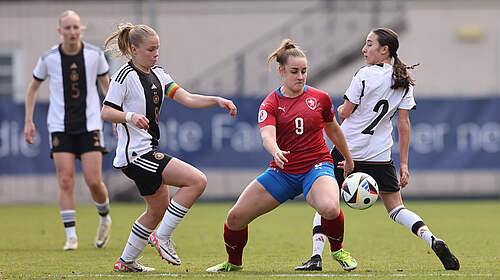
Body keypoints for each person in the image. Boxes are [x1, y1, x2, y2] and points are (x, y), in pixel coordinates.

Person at [295, 27, 460, 271]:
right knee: (396, 209)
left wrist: (338, 111)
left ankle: (316, 256)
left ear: (385, 50)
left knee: (326, 203)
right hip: (380, 156)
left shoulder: (364, 75)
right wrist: (404, 164)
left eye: (369, 44)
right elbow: (403, 124)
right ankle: (431, 239)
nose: (364, 49)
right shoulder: (403, 81)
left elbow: (345, 112)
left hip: (347, 151)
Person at [206, 39, 357, 273]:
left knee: (330, 207)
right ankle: (233, 263)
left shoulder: (320, 98)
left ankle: (337, 250)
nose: (300, 76)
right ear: (281, 71)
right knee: (235, 218)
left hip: (316, 167)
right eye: (294, 71)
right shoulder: (270, 103)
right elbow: (267, 136)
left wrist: (347, 157)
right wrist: (275, 150)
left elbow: (334, 129)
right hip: (282, 173)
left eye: (304, 71)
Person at [101, 23, 237, 273]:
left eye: (158, 49)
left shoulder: (159, 74)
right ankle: (162, 237)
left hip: (147, 151)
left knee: (157, 210)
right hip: (137, 155)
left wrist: (216, 100)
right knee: (197, 181)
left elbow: (186, 97)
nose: (156, 54)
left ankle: (126, 262)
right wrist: (130, 117)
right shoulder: (123, 77)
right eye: (151, 49)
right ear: (134, 49)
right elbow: (106, 111)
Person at [24, 10, 112, 251]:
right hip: (60, 126)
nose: (72, 32)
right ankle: (71, 236)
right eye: (68, 28)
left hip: (90, 124)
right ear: (60, 31)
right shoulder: (49, 58)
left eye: (76, 27)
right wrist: (29, 121)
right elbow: (32, 89)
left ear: (81, 29)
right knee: (65, 180)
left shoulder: (95, 55)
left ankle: (104, 217)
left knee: (94, 181)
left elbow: (107, 88)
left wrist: (116, 118)